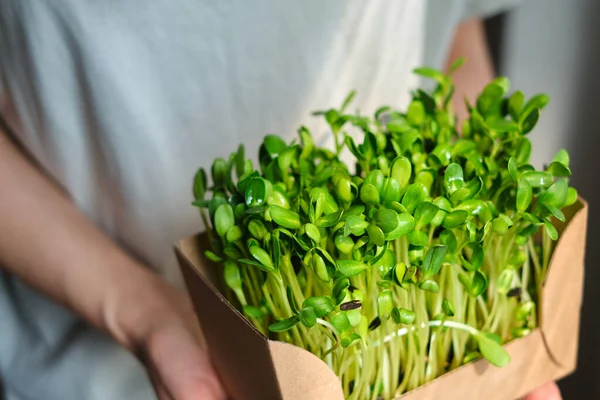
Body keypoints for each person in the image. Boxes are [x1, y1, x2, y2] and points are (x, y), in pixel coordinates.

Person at [0, 1, 561, 399]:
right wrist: (142, 312)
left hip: (411, 304)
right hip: (89, 365)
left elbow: (452, 28)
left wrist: (485, 286)